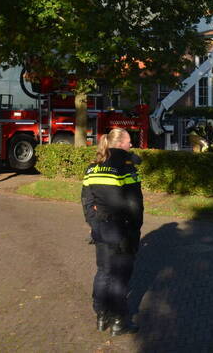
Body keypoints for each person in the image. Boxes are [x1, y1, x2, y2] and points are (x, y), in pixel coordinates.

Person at [81, 128, 143, 336]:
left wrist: (93, 223)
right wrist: (134, 232)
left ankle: (101, 315)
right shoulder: (126, 168)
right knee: (120, 277)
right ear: (120, 144)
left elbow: (86, 201)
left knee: (103, 272)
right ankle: (118, 320)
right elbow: (135, 206)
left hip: (101, 228)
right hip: (122, 229)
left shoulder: (92, 168)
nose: (131, 145)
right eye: (128, 142)